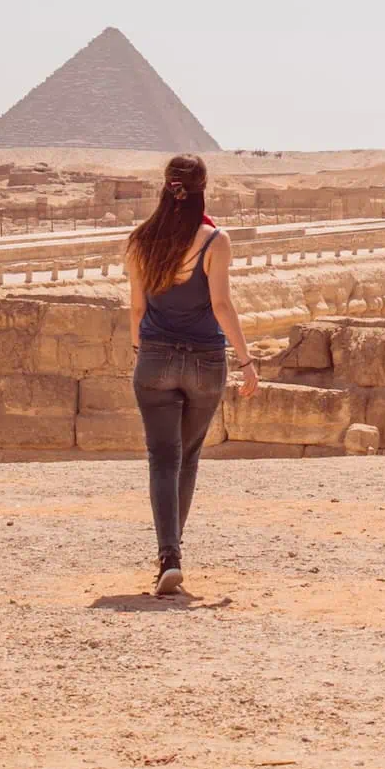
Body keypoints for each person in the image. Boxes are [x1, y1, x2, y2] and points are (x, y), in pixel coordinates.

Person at [124, 155, 256, 596]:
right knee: (188, 457)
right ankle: (173, 549)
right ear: (203, 190)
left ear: (165, 188)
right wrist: (247, 360)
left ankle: (169, 557)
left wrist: (140, 352)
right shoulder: (215, 240)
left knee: (163, 457)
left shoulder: (140, 241)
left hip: (156, 358)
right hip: (205, 361)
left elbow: (138, 309)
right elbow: (221, 305)